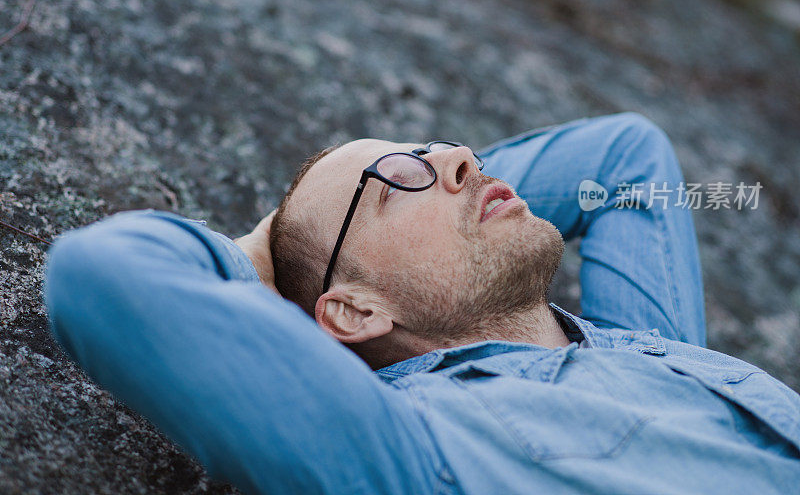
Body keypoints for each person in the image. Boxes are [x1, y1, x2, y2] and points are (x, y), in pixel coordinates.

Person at [45, 113, 800, 495]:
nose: (463, 158)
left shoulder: (641, 344)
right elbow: (98, 274)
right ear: (355, 312)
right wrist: (267, 252)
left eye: (439, 147)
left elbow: (622, 155)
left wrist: (441, 185)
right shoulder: (415, 450)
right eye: (396, 179)